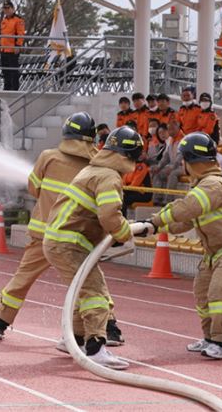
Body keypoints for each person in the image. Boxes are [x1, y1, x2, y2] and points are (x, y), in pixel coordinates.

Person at [0, 113, 106, 340]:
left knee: (23, 277)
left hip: (42, 232)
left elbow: (33, 188)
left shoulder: (48, 157)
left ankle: (0, 322)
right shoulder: (95, 164)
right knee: (88, 283)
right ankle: (107, 328)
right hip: (74, 237)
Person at [145, 132, 222, 360]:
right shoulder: (202, 187)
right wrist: (154, 227)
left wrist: (155, 220)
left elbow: (187, 208)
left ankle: (220, 341)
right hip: (215, 250)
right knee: (202, 291)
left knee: (218, 291)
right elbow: (184, 221)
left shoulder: (214, 185)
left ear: (190, 161)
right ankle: (209, 337)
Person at [43, 125, 144, 370]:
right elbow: (110, 215)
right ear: (126, 157)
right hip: (70, 243)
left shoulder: (92, 170)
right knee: (96, 294)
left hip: (60, 241)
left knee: (80, 293)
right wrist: (123, 232)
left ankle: (73, 340)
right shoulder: (109, 176)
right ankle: (96, 347)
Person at [151, 120, 185, 204]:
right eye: (169, 129)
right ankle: (157, 199)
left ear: (178, 128)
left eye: (172, 129)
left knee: (172, 174)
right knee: (157, 173)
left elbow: (180, 158)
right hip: (173, 165)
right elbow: (166, 157)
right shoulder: (171, 140)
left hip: (184, 167)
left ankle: (168, 200)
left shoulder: (184, 140)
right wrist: (159, 167)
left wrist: (172, 167)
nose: (170, 131)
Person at [0, 1, 25, 91]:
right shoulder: (4, 20)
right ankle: (7, 88)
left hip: (12, 50)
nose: (6, 10)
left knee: (13, 71)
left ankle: (14, 89)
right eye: (5, 8)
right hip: (4, 50)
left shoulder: (18, 20)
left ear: (13, 9)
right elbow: (2, 35)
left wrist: (18, 46)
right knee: (5, 71)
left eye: (8, 8)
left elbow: (21, 34)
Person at [122, 152, 153, 217]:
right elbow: (124, 181)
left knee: (123, 198)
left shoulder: (141, 166)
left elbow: (135, 184)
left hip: (143, 193)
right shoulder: (130, 166)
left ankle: (122, 219)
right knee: (119, 196)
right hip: (131, 191)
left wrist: (123, 190)